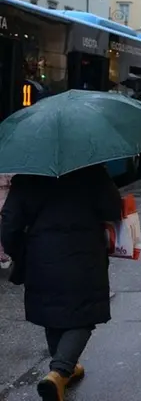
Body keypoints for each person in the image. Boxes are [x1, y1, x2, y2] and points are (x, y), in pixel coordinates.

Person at [0, 165, 122, 401]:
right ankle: (59, 371)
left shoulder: (27, 175)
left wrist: (19, 252)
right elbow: (112, 208)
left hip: (40, 254)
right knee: (84, 314)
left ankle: (65, 369)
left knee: (52, 310)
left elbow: (10, 223)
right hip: (85, 254)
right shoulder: (91, 170)